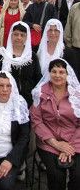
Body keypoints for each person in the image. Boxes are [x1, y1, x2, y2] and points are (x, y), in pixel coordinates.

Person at [30, 59, 80, 190]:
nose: (57, 75)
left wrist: (69, 146)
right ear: (49, 73)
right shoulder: (39, 93)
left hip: (75, 142)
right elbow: (37, 121)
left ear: (68, 75)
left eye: (61, 72)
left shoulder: (77, 95)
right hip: (49, 143)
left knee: (78, 176)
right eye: (54, 71)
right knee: (56, 175)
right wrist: (56, 144)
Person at [0, 21, 41, 107]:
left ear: (27, 37)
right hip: (3, 100)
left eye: (22, 35)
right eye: (16, 34)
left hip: (27, 101)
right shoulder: (1, 54)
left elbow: (37, 79)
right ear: (11, 35)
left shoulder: (31, 56)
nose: (19, 38)